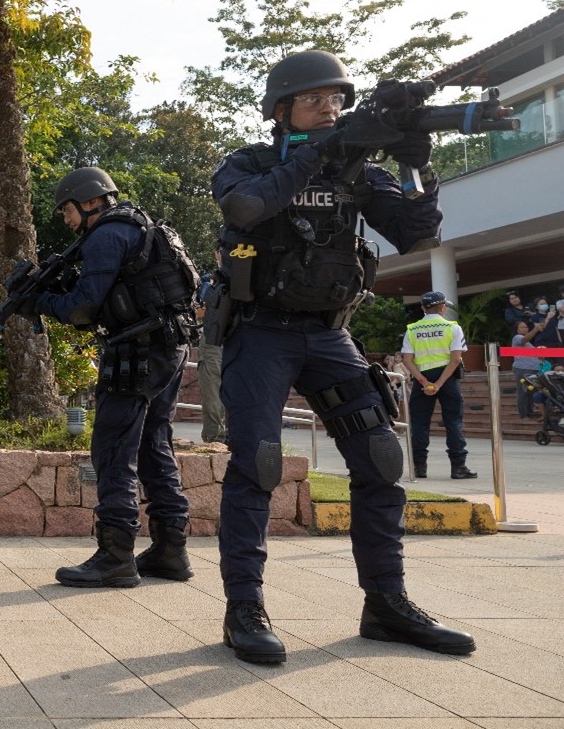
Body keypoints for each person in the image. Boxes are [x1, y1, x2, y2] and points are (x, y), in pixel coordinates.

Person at [209, 51, 474, 663]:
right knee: (259, 463)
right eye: (314, 101)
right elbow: (245, 209)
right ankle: (243, 608)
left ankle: (386, 603)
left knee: (382, 460)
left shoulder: (358, 171)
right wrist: (317, 155)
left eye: (337, 100)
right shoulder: (248, 163)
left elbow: (417, 231)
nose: (330, 109)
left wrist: (416, 164)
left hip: (331, 334)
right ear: (282, 111)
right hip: (262, 333)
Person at [33, 167, 200, 589]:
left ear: (89, 201)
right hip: (169, 346)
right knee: (152, 443)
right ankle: (170, 550)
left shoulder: (107, 235)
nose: (66, 219)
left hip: (135, 353)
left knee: (112, 449)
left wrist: (40, 300)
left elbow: (82, 308)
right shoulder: (139, 224)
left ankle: (116, 555)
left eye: (67, 210)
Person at [400, 292, 475, 479]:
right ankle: (458, 467)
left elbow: (407, 360)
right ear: (443, 307)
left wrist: (424, 382)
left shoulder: (412, 329)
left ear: (423, 308)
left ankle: (419, 468)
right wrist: (440, 383)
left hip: (422, 378)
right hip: (447, 379)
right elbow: (456, 359)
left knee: (419, 423)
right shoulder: (452, 328)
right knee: (453, 422)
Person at [198, 251, 228, 444]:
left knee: (212, 388)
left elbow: (200, 310)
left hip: (215, 340)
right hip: (240, 340)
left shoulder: (214, 281)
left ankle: (215, 436)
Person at [510, 319, 543, 419]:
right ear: (517, 329)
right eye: (522, 327)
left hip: (533, 369)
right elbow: (524, 339)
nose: (525, 329)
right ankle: (523, 414)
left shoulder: (529, 343)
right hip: (522, 369)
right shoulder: (517, 338)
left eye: (526, 327)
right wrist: (536, 329)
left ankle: (530, 411)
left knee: (530, 391)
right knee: (523, 391)